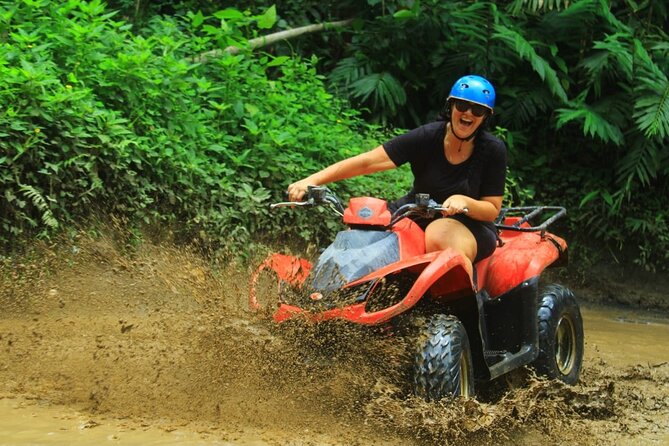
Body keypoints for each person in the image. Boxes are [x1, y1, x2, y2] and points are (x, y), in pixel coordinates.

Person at [287, 75, 507, 266]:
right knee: (362, 233)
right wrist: (312, 180)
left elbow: (491, 209)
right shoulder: (427, 136)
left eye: (477, 110)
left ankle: (457, 309)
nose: (468, 113)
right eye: (461, 105)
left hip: (470, 225)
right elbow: (367, 162)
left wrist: (464, 202)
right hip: (415, 212)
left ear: (485, 117)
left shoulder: (492, 150)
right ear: (451, 107)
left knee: (439, 232)